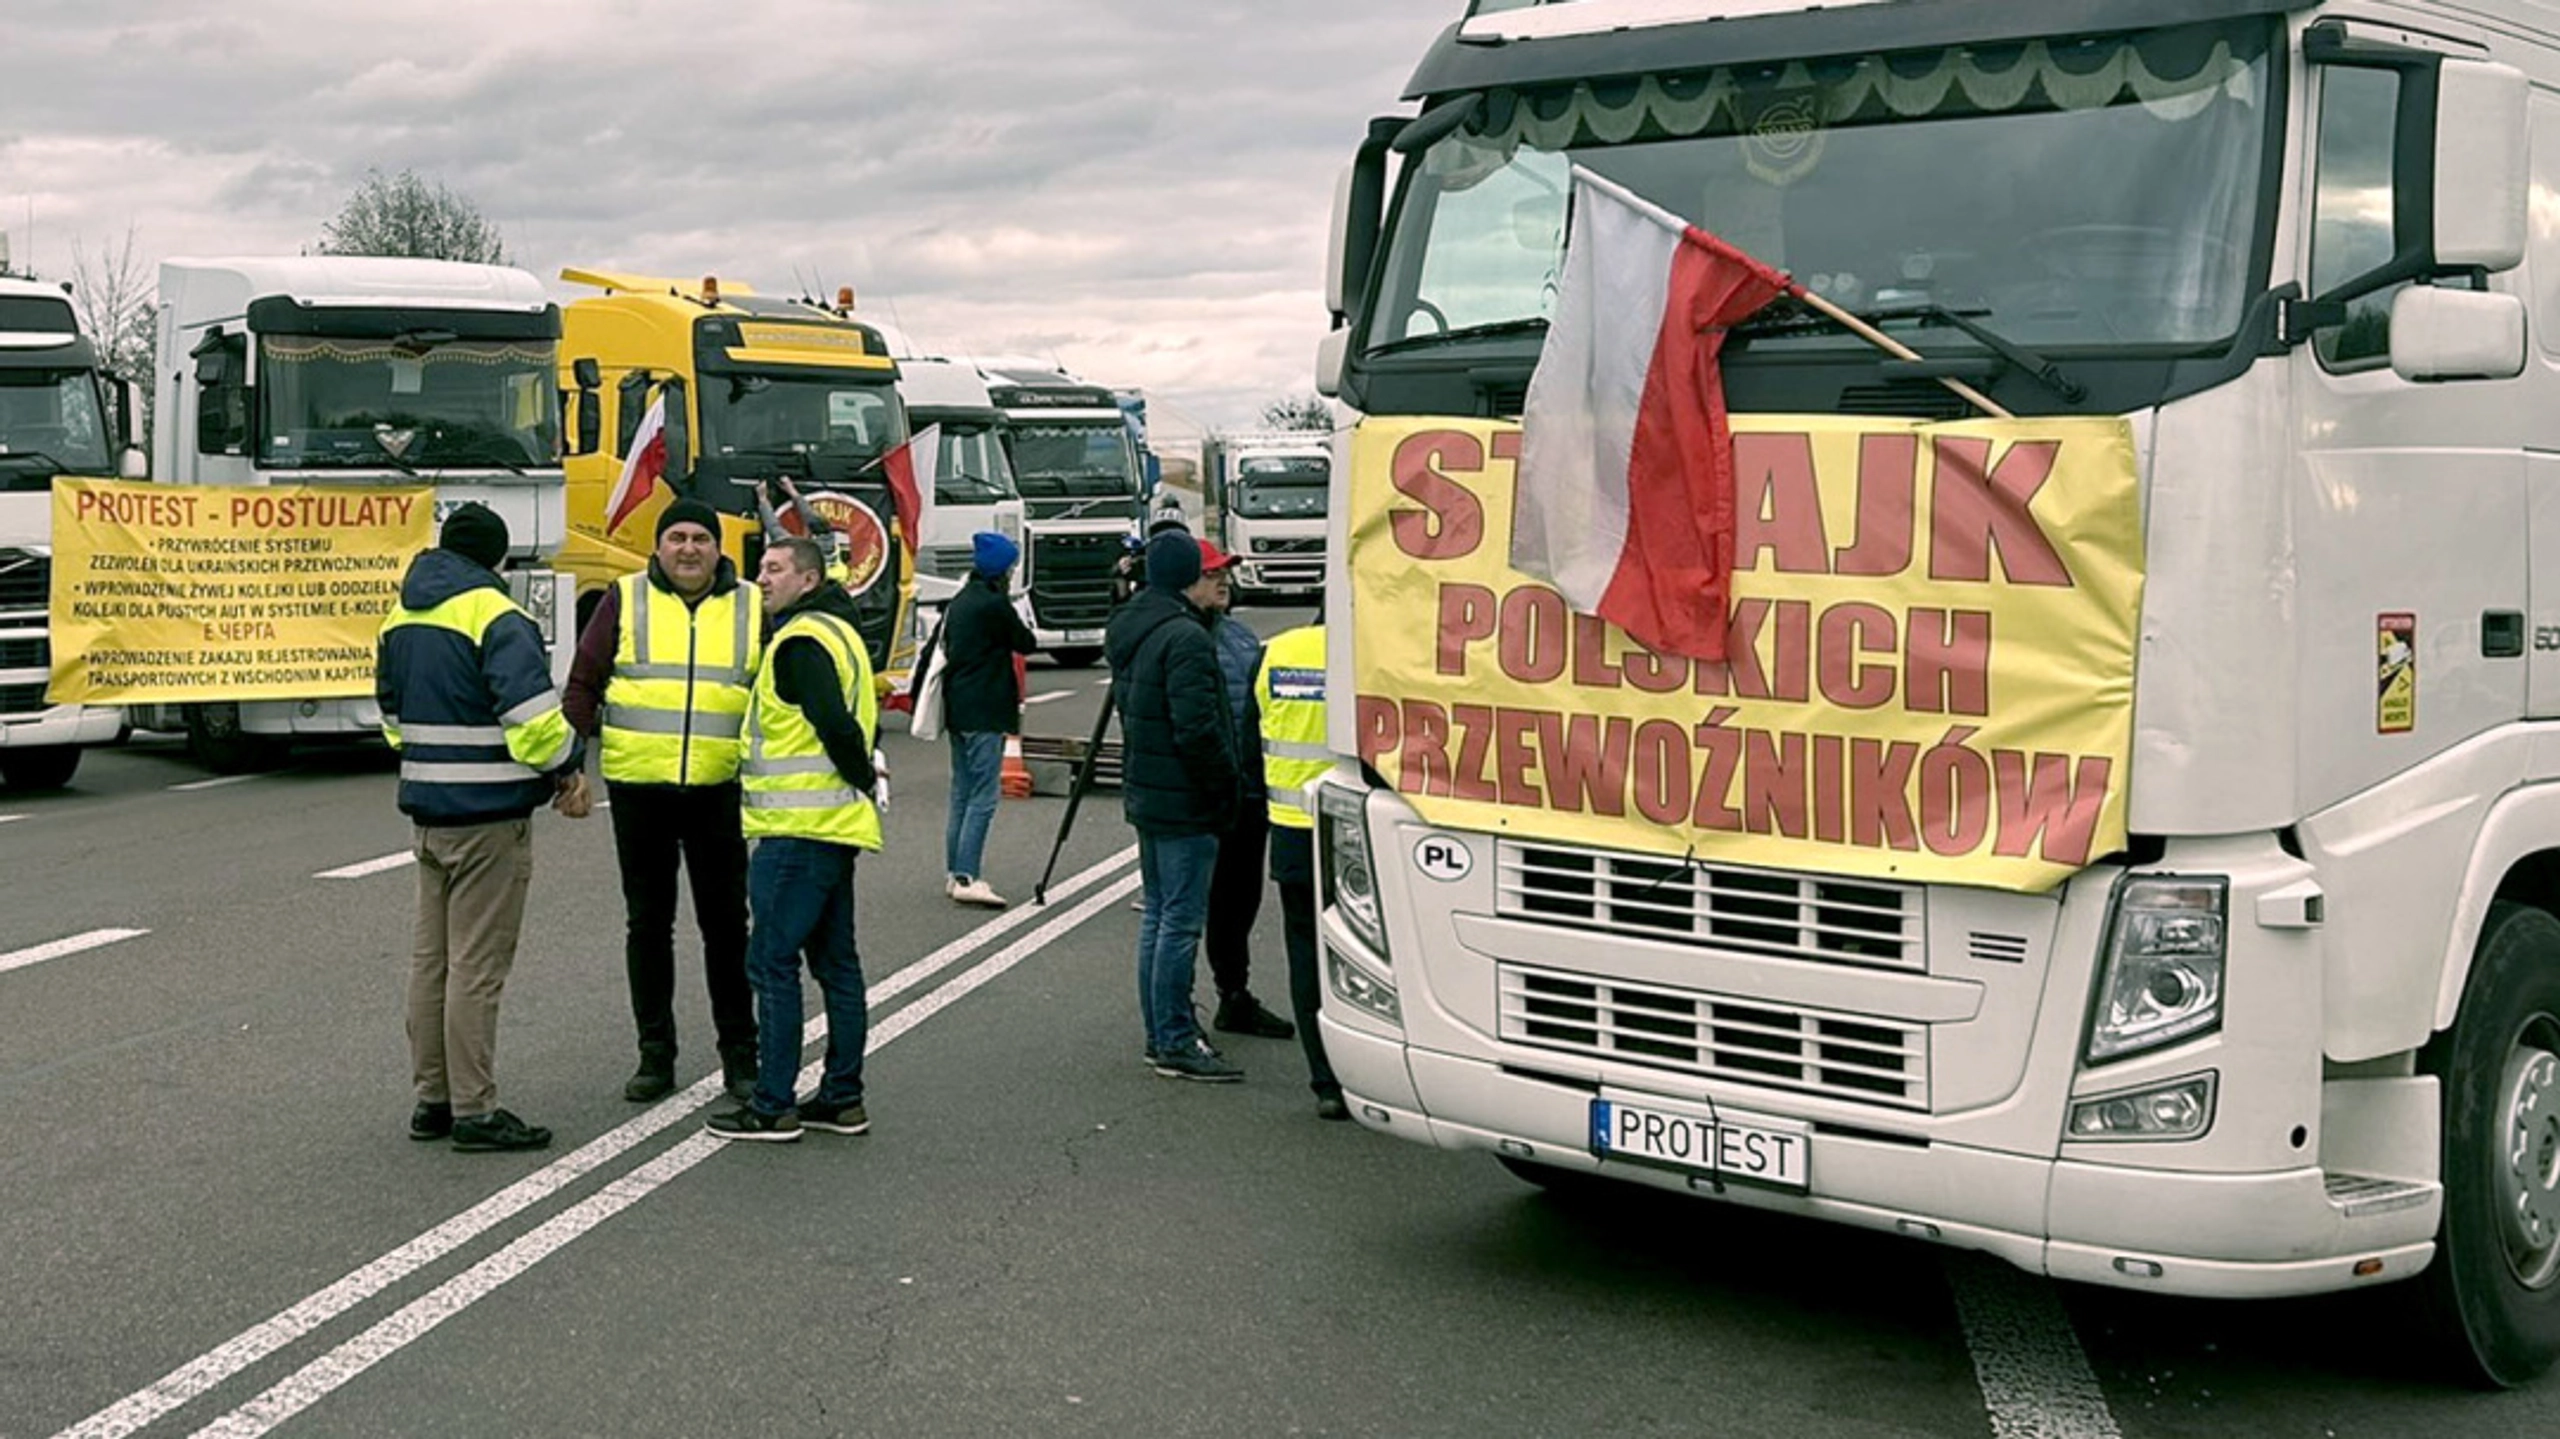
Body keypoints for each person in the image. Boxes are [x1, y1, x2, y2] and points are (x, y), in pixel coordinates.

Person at [377, 503, 586, 1153]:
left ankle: (431, 1099)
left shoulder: (402, 614)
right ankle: (475, 1108)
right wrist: (568, 767)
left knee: (430, 963)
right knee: (477, 967)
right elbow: (533, 723)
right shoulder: (498, 616)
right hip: (490, 815)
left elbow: (389, 715)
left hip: (428, 810)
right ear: (498, 559)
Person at [564, 498, 764, 1105]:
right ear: (657, 547)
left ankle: (740, 1056)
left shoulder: (753, 604)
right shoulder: (624, 599)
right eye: (676, 537)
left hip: (720, 791)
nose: (688, 549)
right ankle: (656, 1056)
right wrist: (569, 767)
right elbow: (583, 683)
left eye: (700, 538)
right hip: (640, 791)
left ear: (718, 548)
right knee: (648, 926)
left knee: (727, 929)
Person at [706, 536, 883, 1142]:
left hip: (796, 831)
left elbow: (833, 721)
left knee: (771, 962)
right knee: (837, 964)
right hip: (833, 826)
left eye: (776, 569)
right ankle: (842, 1097)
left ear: (809, 580)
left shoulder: (801, 641)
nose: (763, 578)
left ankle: (773, 1103)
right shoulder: (842, 635)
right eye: (761, 568)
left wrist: (857, 770)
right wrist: (859, 781)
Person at [1104, 528, 1244, 1083]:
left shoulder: (1135, 628)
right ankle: (1174, 1038)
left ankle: (1162, 1031)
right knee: (1180, 921)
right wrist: (1225, 789)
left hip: (1149, 790)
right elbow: (1199, 729)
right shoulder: (1185, 638)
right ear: (1189, 574)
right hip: (1185, 799)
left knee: (1160, 918)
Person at [1196, 538, 1294, 1041]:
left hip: (1250, 795)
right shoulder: (1178, 638)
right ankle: (1176, 1014)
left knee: (1240, 900)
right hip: (1204, 798)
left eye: (1226, 573)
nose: (1224, 581)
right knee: (1192, 908)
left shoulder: (1239, 638)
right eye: (1213, 574)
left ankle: (1234, 995)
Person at [1255, 616, 1346, 1120]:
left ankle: (1325, 1080)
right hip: (1353, 830)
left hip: (1289, 824)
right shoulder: (1369, 648)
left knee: (1305, 950)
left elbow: (1260, 720)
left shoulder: (1278, 650)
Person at [939, 530, 1037, 908]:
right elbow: (1025, 642)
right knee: (984, 795)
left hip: (959, 706)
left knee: (962, 792)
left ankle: (954, 872)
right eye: (1011, 566)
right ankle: (968, 875)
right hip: (985, 707)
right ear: (1001, 570)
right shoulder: (993, 605)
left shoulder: (962, 600)